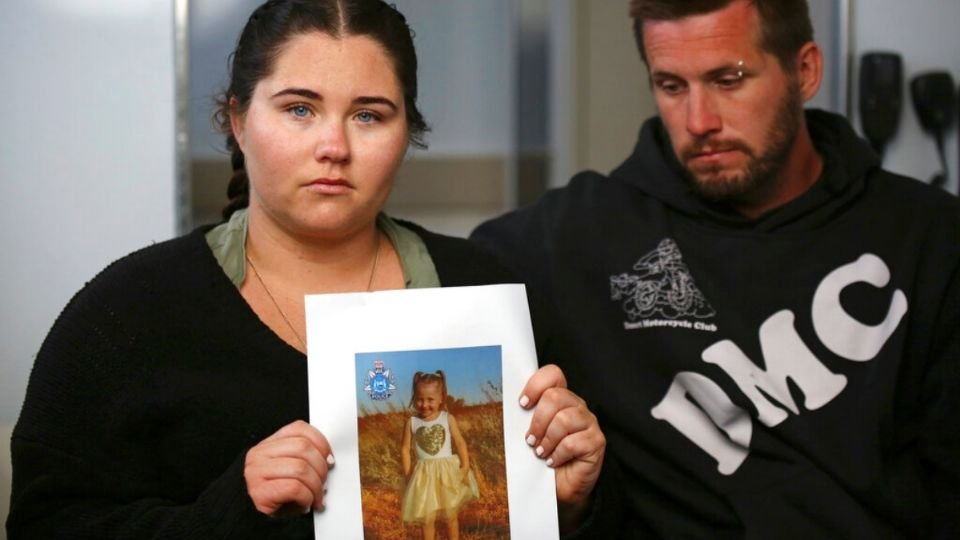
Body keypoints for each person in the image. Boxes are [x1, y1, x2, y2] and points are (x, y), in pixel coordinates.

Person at [5, 1, 606, 538]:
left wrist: (570, 505)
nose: (334, 147)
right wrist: (231, 511)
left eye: (368, 115)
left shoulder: (486, 293)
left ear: (407, 132)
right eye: (299, 109)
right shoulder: (128, 312)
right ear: (238, 120)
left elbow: (557, 517)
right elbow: (45, 525)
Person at [472, 0, 960, 537]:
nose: (699, 121)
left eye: (729, 81)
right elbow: (429, 284)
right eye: (671, 86)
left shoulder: (930, 236)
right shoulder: (576, 236)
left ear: (805, 71)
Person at [400, 371, 479, 540]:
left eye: (430, 399)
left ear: (441, 398)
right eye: (420, 399)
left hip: (447, 474)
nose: (424, 404)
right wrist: (407, 474)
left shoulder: (447, 418)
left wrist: (465, 466)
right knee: (427, 519)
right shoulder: (411, 423)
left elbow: (460, 442)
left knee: (451, 517)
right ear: (414, 398)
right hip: (424, 477)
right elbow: (405, 449)